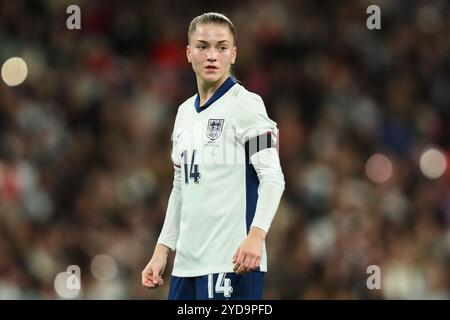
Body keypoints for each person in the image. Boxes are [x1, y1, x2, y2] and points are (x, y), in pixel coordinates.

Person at [141, 12, 285, 300]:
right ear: (188, 53)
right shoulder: (183, 113)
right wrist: (161, 251)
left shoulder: (246, 105)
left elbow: (272, 177)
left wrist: (256, 235)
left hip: (232, 260)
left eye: (221, 47)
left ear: (233, 54)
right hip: (186, 266)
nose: (211, 55)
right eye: (202, 46)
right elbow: (181, 188)